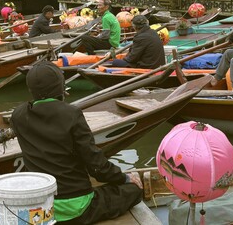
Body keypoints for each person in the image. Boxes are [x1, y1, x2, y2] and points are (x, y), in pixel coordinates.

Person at [10, 61, 142, 224]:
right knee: (134, 190)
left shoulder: (18, 116)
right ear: (61, 88)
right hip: (76, 207)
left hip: (42, 207)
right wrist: (125, 178)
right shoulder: (72, 114)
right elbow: (96, 167)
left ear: (31, 90)